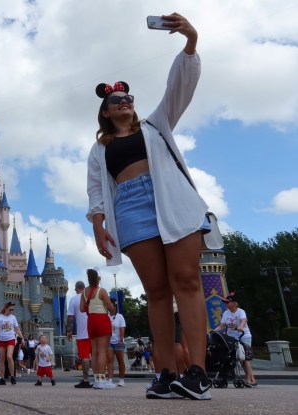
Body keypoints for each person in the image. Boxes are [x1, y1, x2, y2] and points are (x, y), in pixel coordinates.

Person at [86, 13, 211, 400]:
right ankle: (165, 373)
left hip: (169, 201)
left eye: (127, 98)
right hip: (130, 209)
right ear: (106, 111)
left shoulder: (157, 125)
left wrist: (190, 42)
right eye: (116, 101)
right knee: (156, 292)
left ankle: (198, 373)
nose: (124, 102)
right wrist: (98, 225)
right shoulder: (99, 148)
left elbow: (180, 88)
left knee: (187, 282)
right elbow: (95, 190)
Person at [80, 269, 115, 389]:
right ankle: (102, 380)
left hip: (91, 321)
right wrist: (112, 308)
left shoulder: (84, 291)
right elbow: (109, 307)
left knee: (94, 352)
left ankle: (96, 380)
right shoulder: (102, 291)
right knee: (102, 351)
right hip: (102, 320)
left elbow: (81, 309)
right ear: (98, 278)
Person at [215, 292, 257, 387]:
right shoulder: (226, 313)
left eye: (228, 302)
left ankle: (250, 379)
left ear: (234, 303)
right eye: (225, 302)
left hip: (244, 336)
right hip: (232, 338)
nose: (226, 304)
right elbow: (222, 326)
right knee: (235, 357)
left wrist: (241, 326)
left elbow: (243, 320)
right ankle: (251, 379)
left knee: (245, 358)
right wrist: (212, 332)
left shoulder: (240, 311)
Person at [67, 280, 93, 388]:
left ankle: (86, 380)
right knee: (97, 355)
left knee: (85, 357)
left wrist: (69, 330)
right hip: (95, 331)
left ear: (76, 288)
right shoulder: (92, 297)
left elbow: (70, 317)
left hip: (83, 334)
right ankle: (100, 379)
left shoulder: (74, 299)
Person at [0, 301, 24, 385]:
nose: (11, 311)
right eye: (10, 310)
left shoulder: (13, 317)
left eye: (12, 310)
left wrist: (22, 337)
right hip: (1, 339)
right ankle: (2, 378)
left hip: (10, 338)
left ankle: (12, 376)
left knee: (9, 356)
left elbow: (17, 328)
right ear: (6, 308)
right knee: (2, 358)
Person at [108, 299, 126, 386]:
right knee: (110, 360)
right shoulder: (106, 316)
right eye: (109, 305)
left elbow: (122, 328)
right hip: (109, 341)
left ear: (115, 307)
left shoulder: (120, 316)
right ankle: (110, 379)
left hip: (118, 341)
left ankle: (121, 379)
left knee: (120, 361)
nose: (110, 307)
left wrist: (121, 339)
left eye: (112, 305)